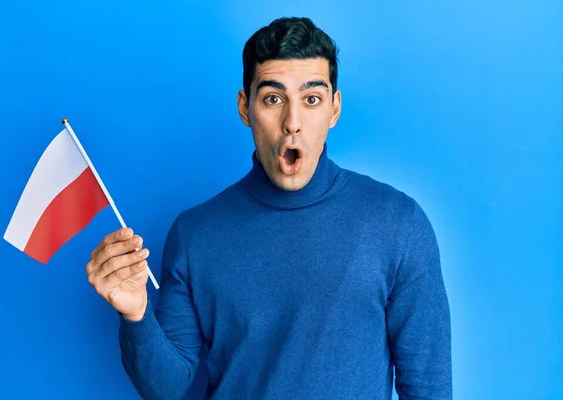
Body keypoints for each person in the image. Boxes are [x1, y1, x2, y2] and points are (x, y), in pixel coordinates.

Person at [85, 16, 452, 400]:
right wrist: (136, 315)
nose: (292, 122)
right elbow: (169, 387)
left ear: (334, 109)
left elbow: (428, 388)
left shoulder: (398, 224)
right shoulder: (195, 234)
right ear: (246, 108)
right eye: (273, 99)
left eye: (311, 99)